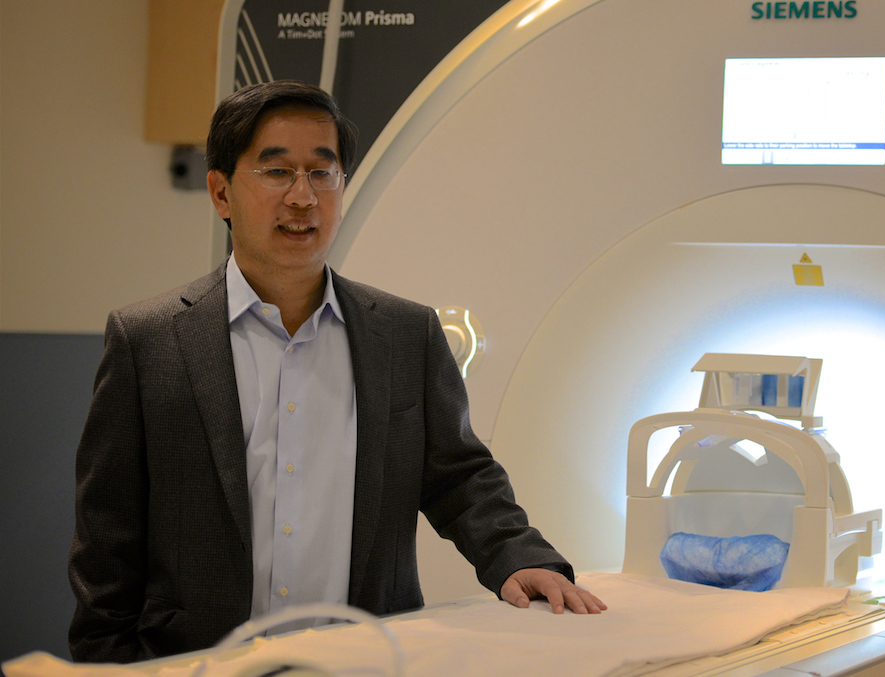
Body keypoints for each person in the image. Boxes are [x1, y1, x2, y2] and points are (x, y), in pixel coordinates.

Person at [67, 80, 604, 664]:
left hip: (367, 658)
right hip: (200, 662)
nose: (303, 197)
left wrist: (518, 556)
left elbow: (459, 476)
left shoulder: (405, 335)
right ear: (221, 193)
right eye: (276, 172)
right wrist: (105, 665)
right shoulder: (149, 342)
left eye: (323, 173)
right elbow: (107, 542)